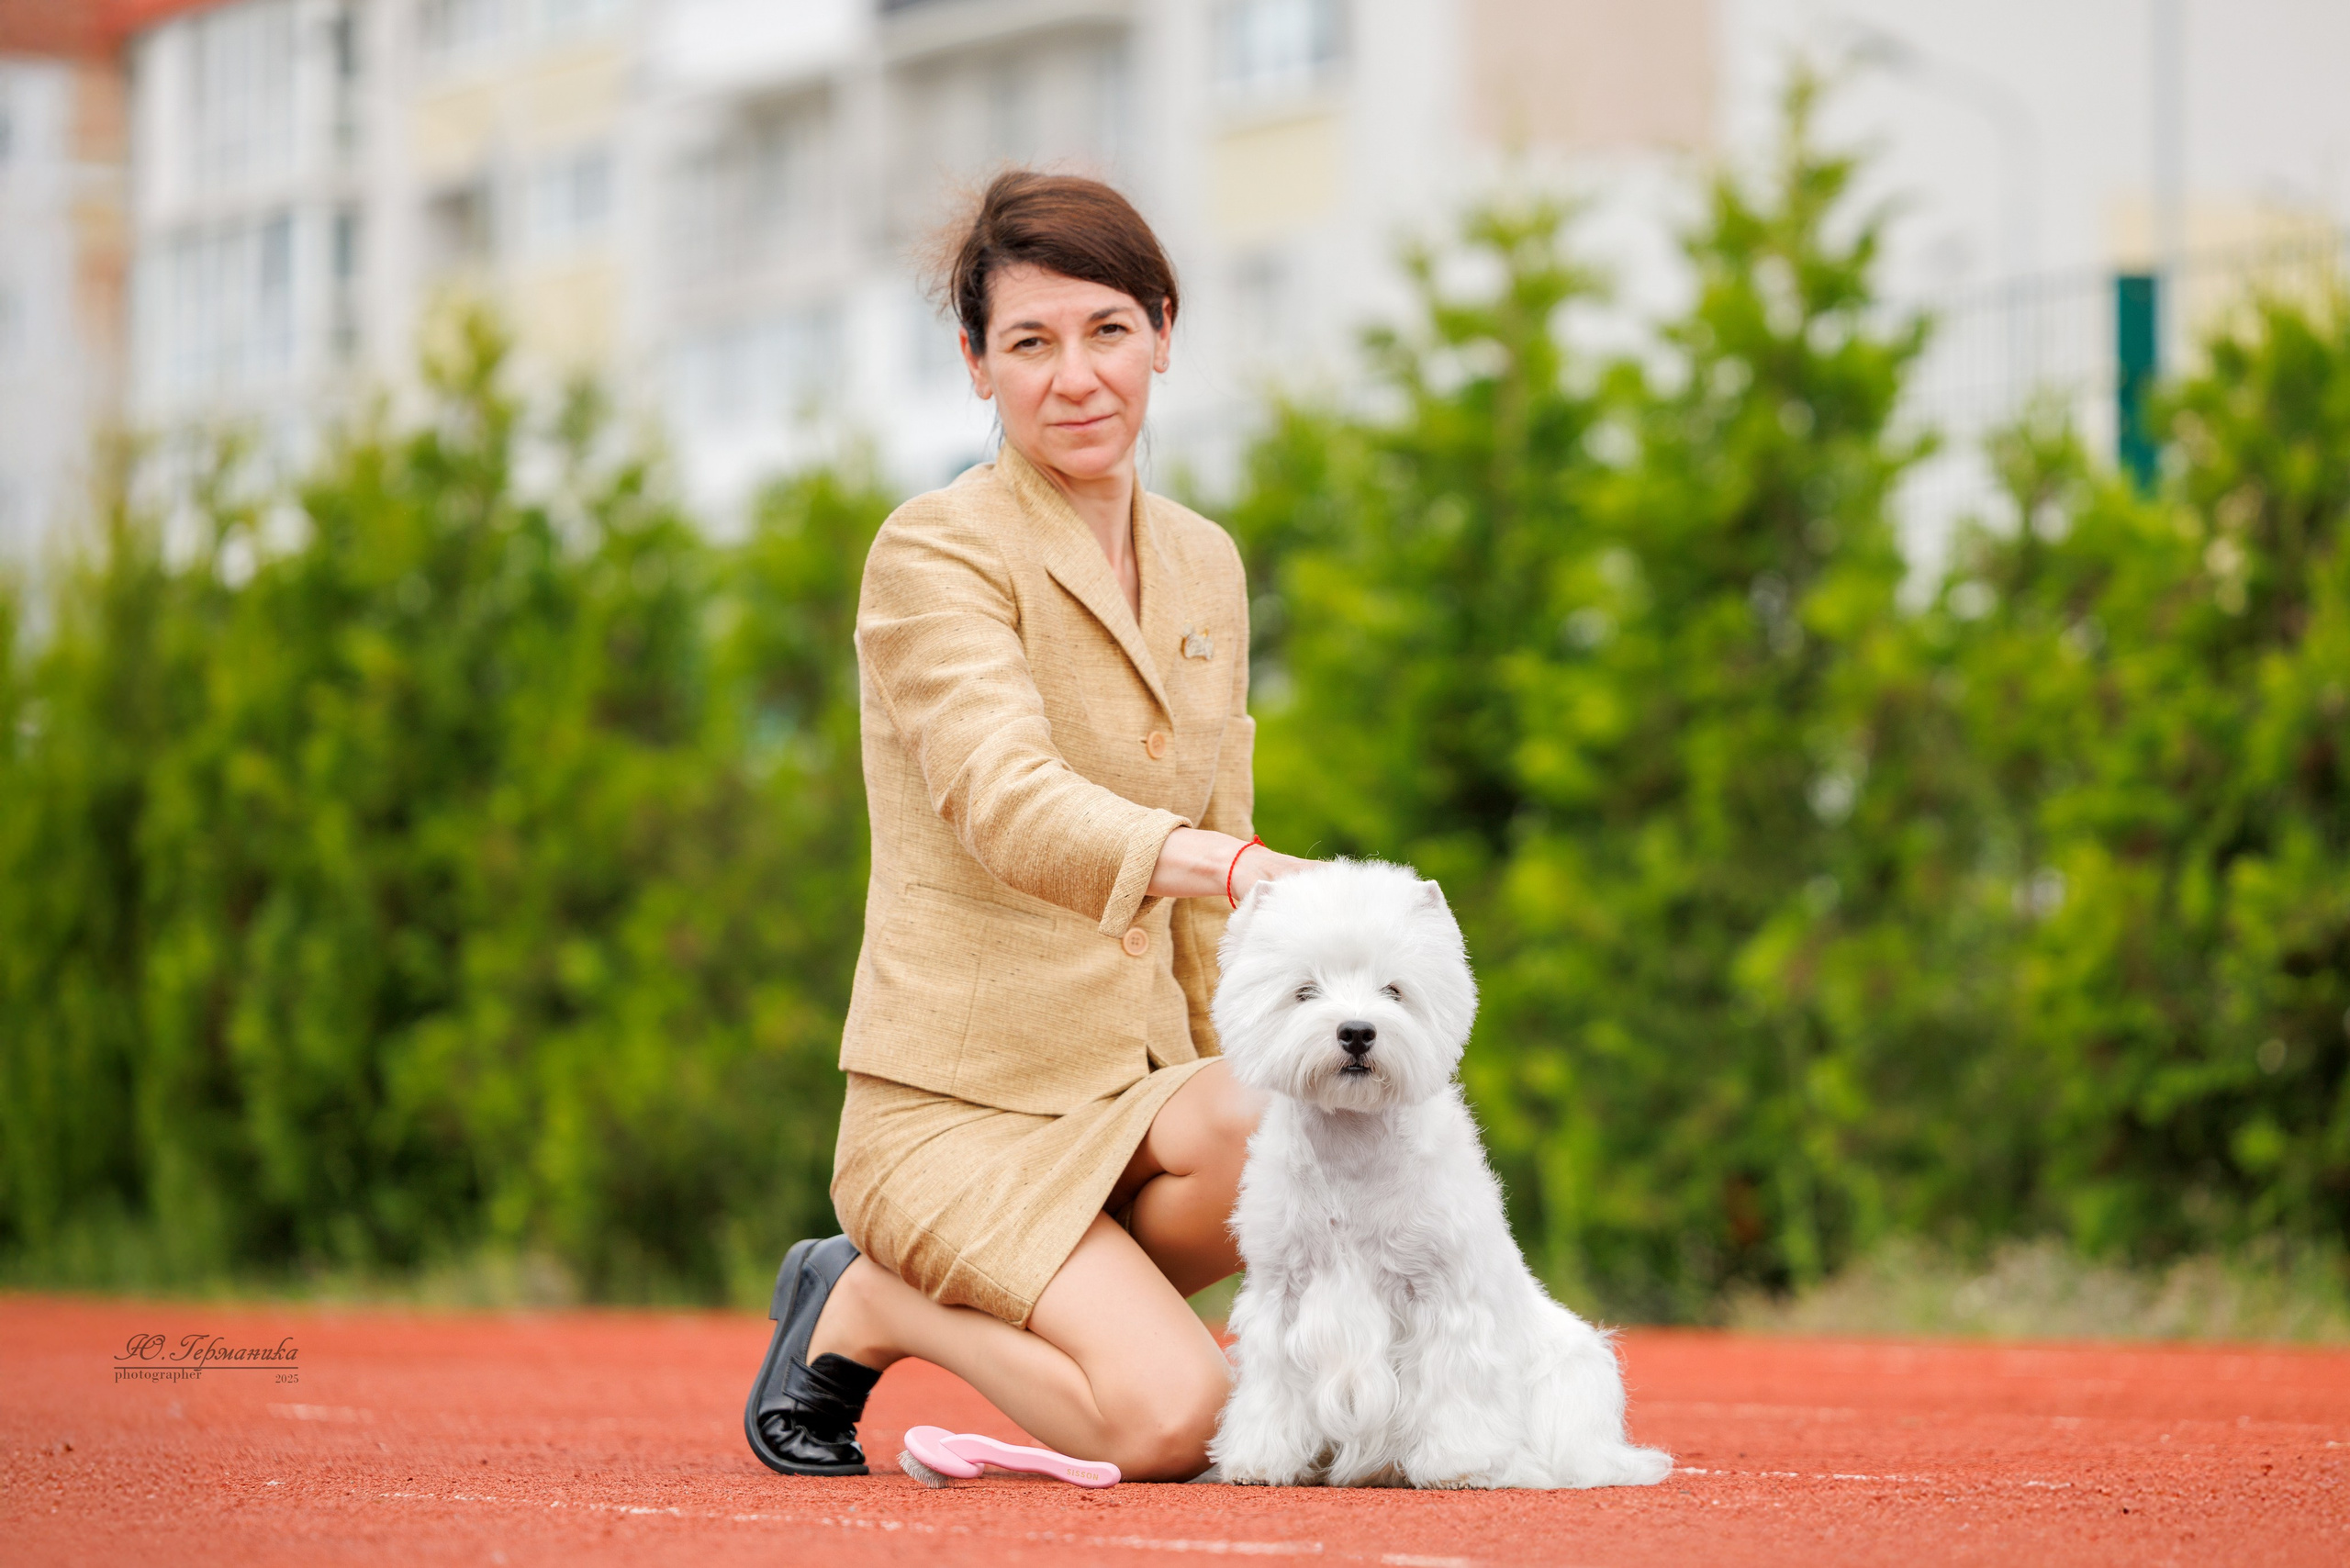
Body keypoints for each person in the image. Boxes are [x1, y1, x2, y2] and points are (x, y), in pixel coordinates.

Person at [743, 170, 1313, 1485]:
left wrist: (1254, 995)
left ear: (1165, 330)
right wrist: (1222, 861)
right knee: (1171, 1424)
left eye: (1109, 330)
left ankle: (1090, 1301)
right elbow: (1010, 801)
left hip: (1124, 1096)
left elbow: (1221, 827)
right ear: (975, 364)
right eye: (1030, 343)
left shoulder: (1203, 561)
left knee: (1298, 1120)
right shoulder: (933, 553)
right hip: (956, 1117)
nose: (1077, 377)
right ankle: (874, 1298)